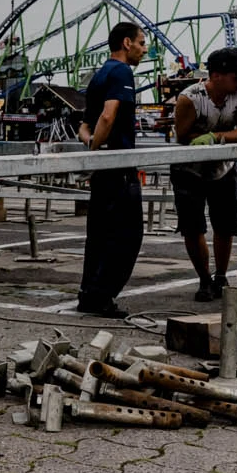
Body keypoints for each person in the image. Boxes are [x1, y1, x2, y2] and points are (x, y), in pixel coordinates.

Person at [75, 21, 147, 317]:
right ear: (127, 43)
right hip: (119, 168)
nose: (145, 49)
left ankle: (89, 294)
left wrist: (93, 148)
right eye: (142, 43)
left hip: (103, 170)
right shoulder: (121, 72)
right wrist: (99, 149)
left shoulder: (98, 75)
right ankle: (102, 297)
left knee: (99, 236)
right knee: (128, 236)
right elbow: (108, 116)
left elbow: (84, 126)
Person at [172, 48, 237, 302]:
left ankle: (221, 276)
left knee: (226, 224)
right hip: (190, 169)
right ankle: (204, 277)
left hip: (224, 167)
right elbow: (183, 137)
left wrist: (216, 137)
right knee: (192, 226)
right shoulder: (190, 99)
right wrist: (226, 137)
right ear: (216, 76)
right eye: (235, 76)